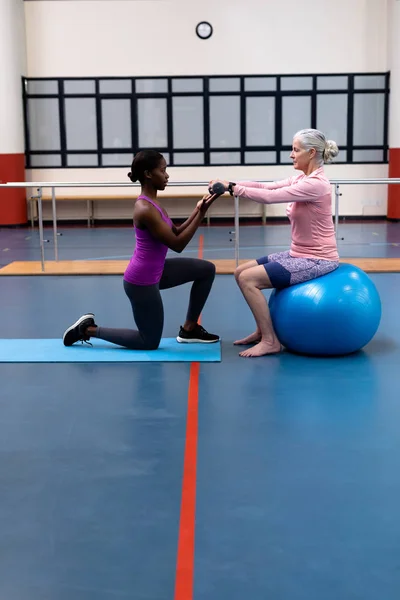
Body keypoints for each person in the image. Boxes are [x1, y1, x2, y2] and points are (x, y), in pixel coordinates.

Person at [63, 150, 220, 349]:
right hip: (141, 281)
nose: (167, 175)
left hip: (158, 271)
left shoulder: (154, 204)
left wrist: (200, 209)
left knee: (206, 270)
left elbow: (176, 231)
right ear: (148, 174)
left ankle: (189, 329)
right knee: (149, 341)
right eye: (162, 171)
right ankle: (87, 330)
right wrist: (202, 214)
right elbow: (178, 244)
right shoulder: (145, 210)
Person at [210, 128, 340, 358]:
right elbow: (267, 187)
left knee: (249, 279)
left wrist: (233, 190)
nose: (291, 154)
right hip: (298, 253)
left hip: (318, 259)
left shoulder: (316, 184)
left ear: (311, 153)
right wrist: (232, 183)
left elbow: (270, 198)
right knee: (241, 271)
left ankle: (271, 341)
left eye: (295, 150)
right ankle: (262, 330)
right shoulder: (302, 177)